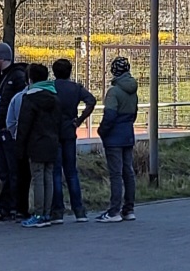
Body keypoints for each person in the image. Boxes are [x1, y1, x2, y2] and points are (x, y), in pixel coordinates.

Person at [15, 64, 61, 228]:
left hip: (35, 143)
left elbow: (24, 125)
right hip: (52, 141)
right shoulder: (54, 97)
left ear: (30, 79)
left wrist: (19, 147)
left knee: (38, 179)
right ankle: (46, 213)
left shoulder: (29, 98)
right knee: (48, 177)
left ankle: (38, 214)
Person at [0, 42, 27, 221]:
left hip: (8, 131)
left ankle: (13, 207)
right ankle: (6, 207)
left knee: (12, 171)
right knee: (3, 171)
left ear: (2, 58)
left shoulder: (17, 76)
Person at [51, 58, 96, 223]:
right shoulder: (76, 88)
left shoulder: (50, 87)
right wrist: (80, 119)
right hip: (70, 130)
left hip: (54, 132)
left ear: (54, 72)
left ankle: (57, 211)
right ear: (70, 71)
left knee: (56, 173)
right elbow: (91, 101)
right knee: (71, 172)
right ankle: (79, 210)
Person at [97, 57, 138, 223]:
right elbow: (134, 114)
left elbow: (110, 115)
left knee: (116, 174)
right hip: (127, 133)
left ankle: (114, 211)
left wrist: (102, 131)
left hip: (114, 137)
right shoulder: (133, 90)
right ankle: (129, 209)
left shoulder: (114, 91)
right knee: (128, 172)